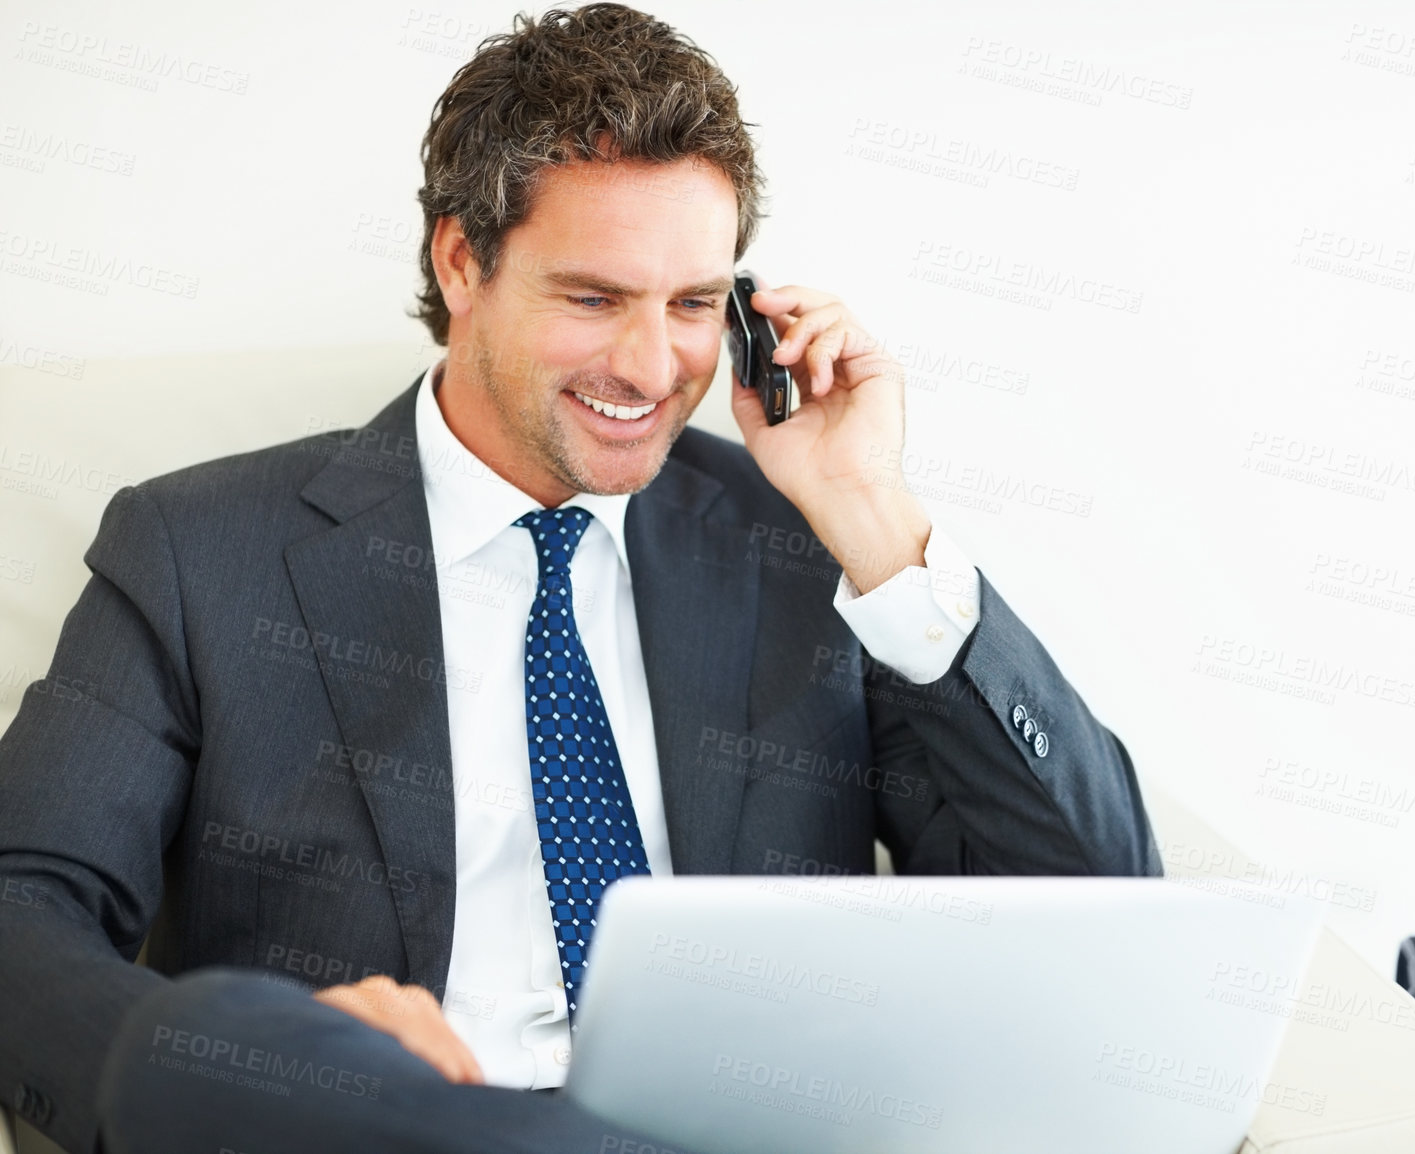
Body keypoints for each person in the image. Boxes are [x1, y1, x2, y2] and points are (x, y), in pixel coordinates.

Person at [0, 5, 1158, 1151]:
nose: (654, 366)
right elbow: (20, 916)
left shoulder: (814, 547)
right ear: (462, 260)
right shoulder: (201, 549)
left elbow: (1105, 923)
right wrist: (257, 1058)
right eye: (594, 298)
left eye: (696, 304)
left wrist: (871, 514)